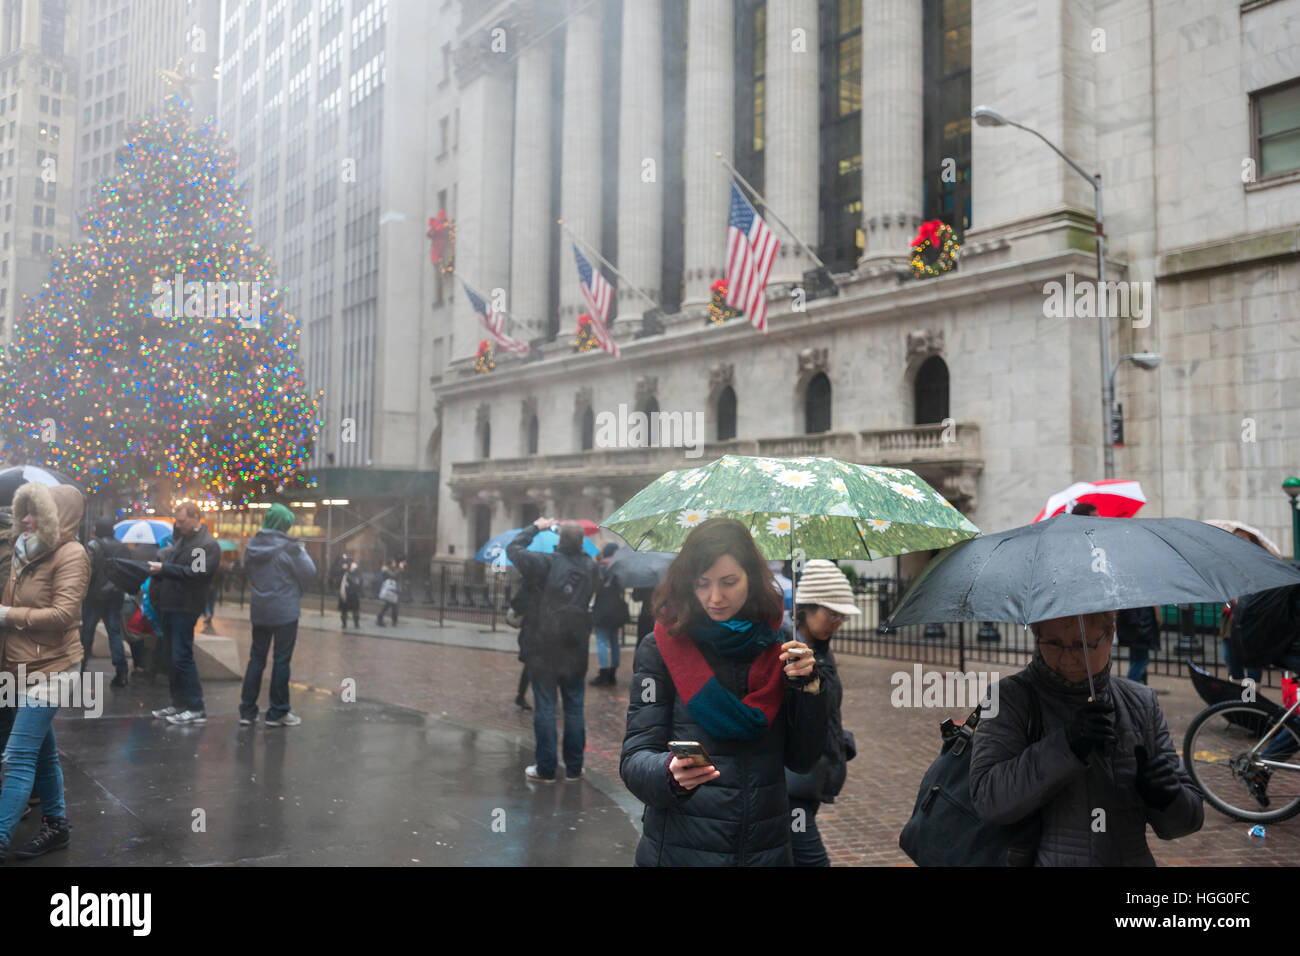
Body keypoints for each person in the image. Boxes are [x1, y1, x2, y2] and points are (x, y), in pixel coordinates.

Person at [619, 517, 831, 866]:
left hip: (765, 850)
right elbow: (635, 758)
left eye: (729, 582)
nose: (715, 598)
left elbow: (803, 758)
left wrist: (809, 688)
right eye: (702, 584)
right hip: (682, 849)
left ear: (753, 577)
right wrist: (667, 773)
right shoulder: (661, 648)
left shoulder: (782, 643)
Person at [969, 608, 1203, 865]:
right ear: (1037, 637)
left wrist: (1167, 798)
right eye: (1054, 644)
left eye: (1083, 645)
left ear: (1110, 635)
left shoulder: (1142, 703)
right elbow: (989, 799)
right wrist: (1066, 747)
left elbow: (1187, 822)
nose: (1068, 659)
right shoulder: (1009, 699)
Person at [0, 482, 91, 860]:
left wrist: (8, 616)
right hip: (17, 664)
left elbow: (64, 615)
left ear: (58, 517)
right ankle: (56, 825)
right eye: (24, 510)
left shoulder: (72, 554)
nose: (25, 518)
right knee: (42, 753)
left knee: (19, 755)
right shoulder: (24, 551)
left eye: (35, 511)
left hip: (55, 666)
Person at [508, 517, 599, 782]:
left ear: (560, 540)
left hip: (545, 646)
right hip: (576, 647)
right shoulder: (591, 568)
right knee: (574, 706)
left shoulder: (546, 563)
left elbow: (514, 549)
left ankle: (546, 768)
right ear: (582, 542)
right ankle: (574, 767)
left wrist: (535, 526)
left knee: (546, 706)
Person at [784, 560, 857, 867]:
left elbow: (825, 710)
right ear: (806, 608)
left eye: (843, 615)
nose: (838, 621)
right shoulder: (788, 654)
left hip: (812, 780)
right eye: (831, 613)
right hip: (792, 787)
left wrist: (839, 741)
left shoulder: (821, 650)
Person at [241, 504, 316, 727]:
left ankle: (247, 710)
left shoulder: (252, 545)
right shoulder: (290, 548)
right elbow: (310, 572)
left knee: (256, 658)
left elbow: (249, 573)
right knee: (281, 660)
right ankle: (278, 712)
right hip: (285, 611)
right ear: (285, 525)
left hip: (260, 610)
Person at [147, 502, 221, 725]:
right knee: (171, 657)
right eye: (176, 521)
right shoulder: (184, 540)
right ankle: (178, 703)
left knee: (182, 656)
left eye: (182, 521)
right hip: (172, 605)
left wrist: (164, 569)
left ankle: (195, 706)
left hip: (185, 606)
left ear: (195, 517)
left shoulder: (203, 544)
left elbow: (196, 573)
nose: (178, 525)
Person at [81, 515, 130, 686]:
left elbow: (88, 572)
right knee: (115, 633)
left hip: (94, 597)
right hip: (115, 596)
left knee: (86, 633)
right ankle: (122, 671)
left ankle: (80, 670)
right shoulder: (123, 548)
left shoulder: (93, 546)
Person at [590, 542, 628, 687]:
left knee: (601, 641)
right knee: (614, 642)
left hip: (602, 608)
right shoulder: (620, 568)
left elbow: (595, 587)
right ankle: (613, 674)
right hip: (616, 609)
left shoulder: (600, 567)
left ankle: (603, 673)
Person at [1117, 605, 1162, 687]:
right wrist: (1158, 619)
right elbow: (1154, 603)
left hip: (1131, 621)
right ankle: (1130, 689)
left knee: (1135, 659)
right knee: (1141, 661)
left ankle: (1136, 687)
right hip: (1143, 623)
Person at [339, 561, 362, 628]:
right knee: (355, 610)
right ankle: (356, 624)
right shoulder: (357, 571)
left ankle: (344, 624)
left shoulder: (344, 571)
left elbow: (341, 583)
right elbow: (360, 582)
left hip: (346, 593)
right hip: (355, 594)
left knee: (344, 610)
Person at [376, 560, 399, 626]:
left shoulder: (388, 570)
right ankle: (393, 621)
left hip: (389, 592)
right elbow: (393, 575)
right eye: (393, 563)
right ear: (390, 564)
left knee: (388, 607)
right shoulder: (387, 571)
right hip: (388, 592)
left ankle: (380, 619)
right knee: (393, 606)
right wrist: (400, 568)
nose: (395, 564)